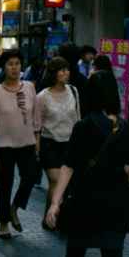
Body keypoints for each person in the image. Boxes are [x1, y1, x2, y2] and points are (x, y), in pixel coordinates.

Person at [44, 70, 129, 257]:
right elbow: (128, 168)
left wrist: (55, 202)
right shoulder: (125, 128)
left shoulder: (83, 126)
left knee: (76, 251)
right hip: (116, 203)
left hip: (84, 201)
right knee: (112, 252)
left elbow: (68, 166)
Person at [0, 49, 40, 239]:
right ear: (3, 67)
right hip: (4, 145)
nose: (14, 68)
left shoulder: (30, 88)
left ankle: (14, 207)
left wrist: (37, 141)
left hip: (27, 142)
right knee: (5, 184)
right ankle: (3, 224)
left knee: (31, 176)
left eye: (17, 63)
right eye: (10, 64)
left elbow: (36, 117)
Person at [37, 57, 83, 218]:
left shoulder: (73, 91)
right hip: (49, 144)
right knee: (55, 180)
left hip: (70, 143)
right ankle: (52, 216)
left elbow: (78, 118)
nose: (66, 73)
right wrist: (37, 149)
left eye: (67, 69)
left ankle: (54, 214)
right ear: (54, 73)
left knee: (66, 183)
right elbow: (37, 125)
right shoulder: (43, 96)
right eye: (62, 70)